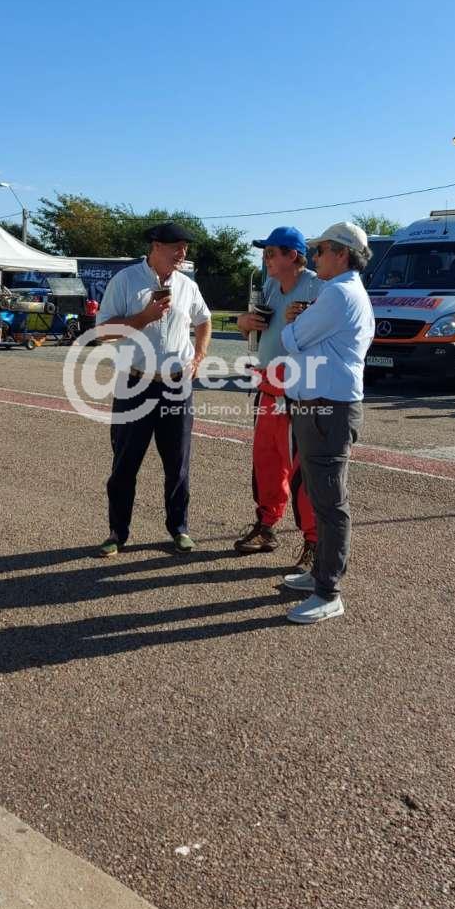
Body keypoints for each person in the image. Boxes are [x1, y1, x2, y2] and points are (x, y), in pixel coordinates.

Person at [94, 221, 211, 557]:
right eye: (176, 247)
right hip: (136, 383)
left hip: (177, 386)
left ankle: (179, 529)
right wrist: (143, 317)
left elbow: (204, 320)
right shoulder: (126, 280)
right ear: (156, 246)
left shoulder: (187, 286)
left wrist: (199, 356)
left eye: (185, 247)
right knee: (125, 463)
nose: (182, 253)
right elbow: (103, 332)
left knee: (178, 464)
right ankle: (117, 533)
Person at [278, 222, 375, 625]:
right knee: (321, 497)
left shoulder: (337, 293)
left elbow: (291, 339)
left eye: (320, 250)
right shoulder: (344, 292)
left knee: (330, 502)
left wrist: (294, 325)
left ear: (341, 253)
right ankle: (320, 574)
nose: (315, 257)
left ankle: (328, 591)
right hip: (322, 406)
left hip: (326, 408)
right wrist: (301, 328)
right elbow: (306, 338)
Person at [232, 227, 321, 571]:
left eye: (271, 253)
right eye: (264, 253)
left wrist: (306, 320)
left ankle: (314, 542)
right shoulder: (269, 286)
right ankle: (266, 526)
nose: (265, 259)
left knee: (302, 471)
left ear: (294, 256)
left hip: (299, 391)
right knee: (266, 462)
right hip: (267, 386)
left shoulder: (317, 287)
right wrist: (243, 322)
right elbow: (251, 331)